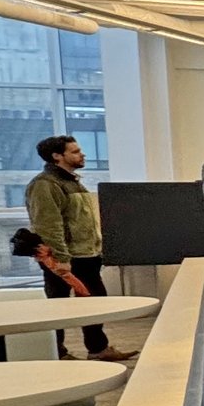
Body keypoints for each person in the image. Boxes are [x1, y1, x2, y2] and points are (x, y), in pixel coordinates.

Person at [25, 134, 133, 362]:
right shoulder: (45, 185)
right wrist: (61, 258)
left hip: (86, 255)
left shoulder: (71, 182)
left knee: (95, 301)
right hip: (65, 258)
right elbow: (48, 224)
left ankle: (98, 349)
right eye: (74, 151)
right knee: (60, 306)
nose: (81, 154)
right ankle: (58, 352)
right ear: (57, 156)